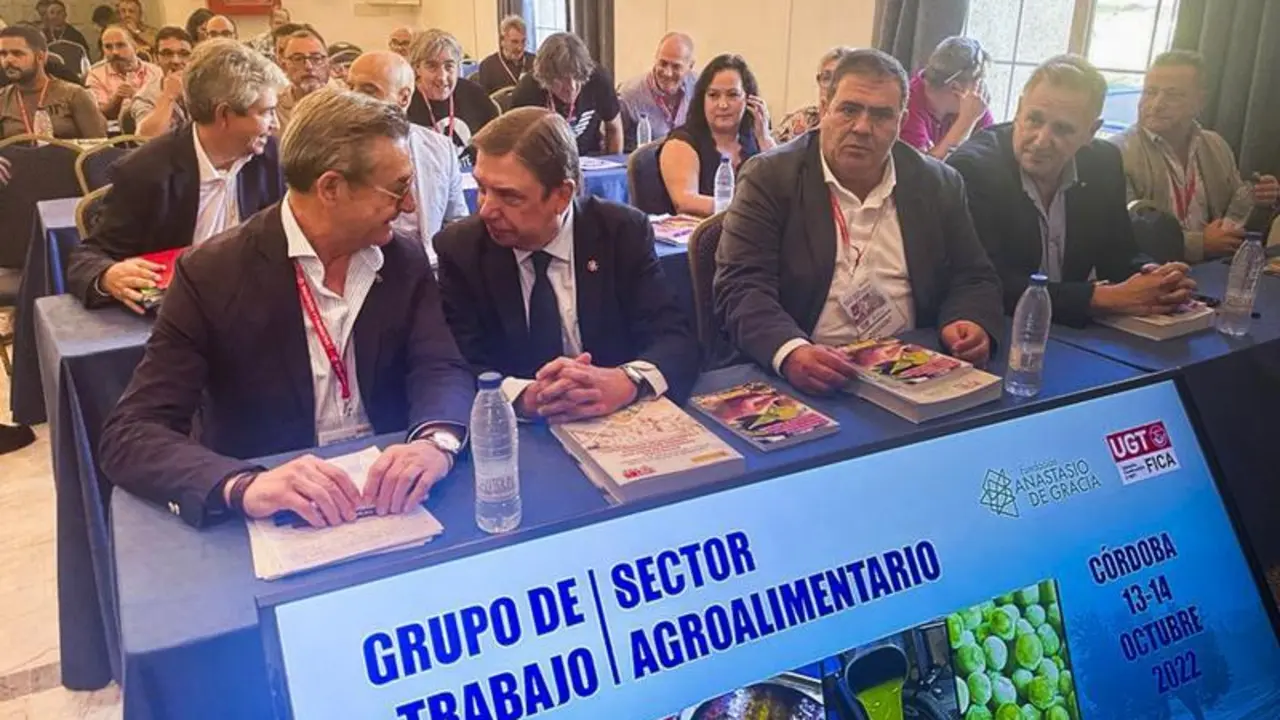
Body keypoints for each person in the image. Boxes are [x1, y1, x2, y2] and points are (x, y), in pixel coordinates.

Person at [98, 88, 475, 529]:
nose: (409, 205)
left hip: (394, 499)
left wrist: (435, 441)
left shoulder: (403, 260)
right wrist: (242, 485)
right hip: (278, 512)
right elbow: (132, 432)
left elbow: (440, 365)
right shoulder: (212, 273)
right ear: (331, 188)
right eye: (397, 188)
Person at [714, 49, 1003, 396]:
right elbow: (741, 287)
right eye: (849, 110)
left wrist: (968, 319)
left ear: (901, 121)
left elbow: (973, 276)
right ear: (825, 109)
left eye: (881, 115)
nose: (863, 128)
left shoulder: (938, 183)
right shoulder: (771, 177)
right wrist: (790, 351)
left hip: (913, 366)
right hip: (806, 372)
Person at [436, 107, 698, 421]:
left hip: (612, 421)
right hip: (517, 429)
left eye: (509, 196)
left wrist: (626, 381)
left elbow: (673, 338)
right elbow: (456, 363)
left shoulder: (620, 233)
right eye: (482, 189)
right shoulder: (462, 249)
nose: (486, 210)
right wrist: (521, 396)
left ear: (562, 195)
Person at [948, 55, 1195, 328]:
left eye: (1063, 129)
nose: (1041, 140)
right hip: (997, 328)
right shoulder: (975, 169)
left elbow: (1119, 252)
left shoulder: (1103, 162)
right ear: (1018, 110)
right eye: (1034, 119)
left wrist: (1153, 277)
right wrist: (1102, 298)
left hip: (1068, 329)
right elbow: (987, 284)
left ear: (1091, 132)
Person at [66, 39, 287, 311]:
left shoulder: (274, 159)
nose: (275, 124)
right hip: (178, 311)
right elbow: (88, 256)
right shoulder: (146, 171)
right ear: (224, 115)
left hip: (255, 304)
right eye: (266, 113)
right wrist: (107, 275)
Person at [1110, 50, 1280, 262]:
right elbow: (1123, 232)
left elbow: (1236, 216)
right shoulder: (1116, 152)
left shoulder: (1216, 145)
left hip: (1215, 265)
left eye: (1173, 95)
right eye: (1150, 92)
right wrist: (1199, 243)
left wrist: (1261, 201)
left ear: (1200, 102)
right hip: (1149, 270)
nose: (1157, 104)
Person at [347, 50, 467, 260]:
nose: (353, 98)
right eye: (350, 88)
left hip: (429, 265)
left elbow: (456, 221)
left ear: (403, 98)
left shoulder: (440, 148)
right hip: (361, 264)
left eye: (368, 90)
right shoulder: (335, 150)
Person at [658, 53, 775, 217]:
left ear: (749, 100)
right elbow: (685, 201)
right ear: (702, 100)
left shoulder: (756, 138)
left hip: (752, 227)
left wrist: (765, 139)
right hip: (702, 229)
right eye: (713, 95)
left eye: (733, 95)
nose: (723, 104)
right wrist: (749, 208)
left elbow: (783, 190)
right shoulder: (681, 142)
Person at [511, 32, 622, 157]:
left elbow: (614, 129)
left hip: (589, 157)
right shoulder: (527, 91)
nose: (572, 87)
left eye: (577, 78)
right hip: (543, 161)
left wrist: (614, 164)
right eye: (563, 80)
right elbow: (515, 146)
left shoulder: (598, 79)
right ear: (546, 79)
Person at [406, 28, 497, 165]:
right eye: (432, 66)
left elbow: (497, 144)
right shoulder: (406, 101)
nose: (442, 77)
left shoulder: (474, 95)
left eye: (449, 66)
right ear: (417, 68)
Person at [0, 25, 105, 140]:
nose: (8, 60)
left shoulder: (74, 95)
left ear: (40, 57)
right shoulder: (2, 99)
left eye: (17, 53)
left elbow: (99, 146)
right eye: (3, 54)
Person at [901, 36, 994, 159]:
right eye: (979, 82)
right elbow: (920, 169)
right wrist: (965, 122)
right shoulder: (907, 104)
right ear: (955, 87)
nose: (981, 90)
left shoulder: (974, 104)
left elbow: (991, 155)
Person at [618, 31, 696, 149]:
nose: (667, 73)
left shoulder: (700, 88)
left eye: (676, 66)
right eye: (663, 63)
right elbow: (608, 140)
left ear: (690, 66)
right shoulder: (629, 94)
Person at [773, 46, 854, 144]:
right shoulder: (801, 119)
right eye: (826, 78)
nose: (831, 86)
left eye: (839, 78)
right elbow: (773, 151)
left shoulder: (859, 124)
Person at [86, 25, 161, 120]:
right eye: (108, 47)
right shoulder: (95, 75)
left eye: (121, 45)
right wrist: (117, 99)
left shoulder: (156, 72)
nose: (115, 52)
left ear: (134, 45)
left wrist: (138, 97)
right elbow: (98, 115)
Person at [129, 25, 190, 137]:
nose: (176, 61)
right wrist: (168, 95)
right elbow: (145, 138)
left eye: (184, 54)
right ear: (156, 58)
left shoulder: (207, 89)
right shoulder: (146, 97)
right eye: (167, 54)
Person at [275, 27, 329, 132]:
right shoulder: (274, 109)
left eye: (316, 58)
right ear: (284, 66)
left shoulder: (345, 106)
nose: (309, 66)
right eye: (298, 59)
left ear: (328, 63)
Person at [473, 14, 534, 94]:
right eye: (514, 42)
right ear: (502, 40)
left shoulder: (535, 62)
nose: (520, 48)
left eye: (523, 41)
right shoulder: (487, 66)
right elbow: (484, 99)